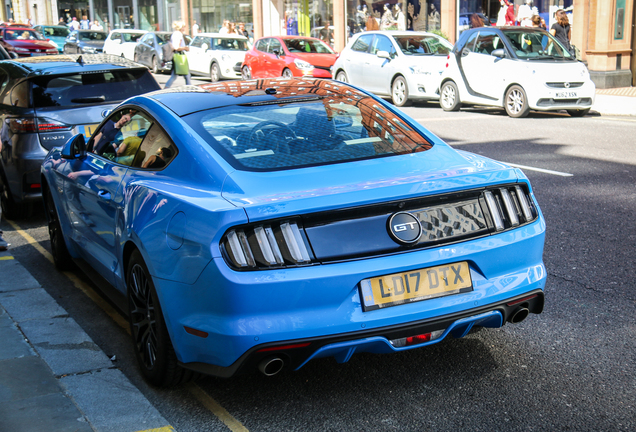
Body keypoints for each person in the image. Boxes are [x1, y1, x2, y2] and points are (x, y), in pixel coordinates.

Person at [164, 21, 191, 88]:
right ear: (180, 27)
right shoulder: (178, 34)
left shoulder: (174, 34)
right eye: (183, 27)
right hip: (179, 55)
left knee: (176, 75)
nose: (184, 28)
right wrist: (185, 48)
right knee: (185, 74)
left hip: (175, 55)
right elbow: (177, 47)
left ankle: (167, 86)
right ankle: (189, 87)